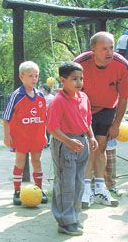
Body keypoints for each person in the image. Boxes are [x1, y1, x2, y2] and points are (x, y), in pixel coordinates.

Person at [74, 31, 128, 208]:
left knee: (100, 147)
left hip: (108, 108)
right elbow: (69, 92)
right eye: (104, 49)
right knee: (85, 147)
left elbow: (124, 97)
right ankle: (85, 188)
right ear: (93, 50)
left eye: (111, 48)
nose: (109, 52)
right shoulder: (79, 64)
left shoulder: (122, 65)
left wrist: (116, 124)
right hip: (82, 109)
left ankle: (100, 188)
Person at [46, 61, 98, 236]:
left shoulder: (84, 97)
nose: (79, 82)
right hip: (65, 143)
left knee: (78, 182)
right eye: (74, 79)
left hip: (81, 142)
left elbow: (87, 120)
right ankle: (64, 221)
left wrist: (91, 137)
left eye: (81, 78)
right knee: (65, 183)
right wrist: (68, 142)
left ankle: (74, 217)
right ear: (63, 80)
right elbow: (52, 128)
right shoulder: (58, 101)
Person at [2, 61, 48, 205]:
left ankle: (39, 189)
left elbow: (43, 118)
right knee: (20, 162)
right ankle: (17, 191)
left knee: (37, 162)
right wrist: (6, 135)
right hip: (21, 136)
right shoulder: (17, 95)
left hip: (36, 136)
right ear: (22, 77)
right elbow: (5, 117)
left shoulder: (40, 95)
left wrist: (44, 134)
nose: (34, 79)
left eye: (36, 76)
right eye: (30, 76)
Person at [39, 83, 54, 148]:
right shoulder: (40, 96)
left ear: (45, 89)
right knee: (42, 128)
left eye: (41, 88)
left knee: (48, 129)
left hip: (49, 115)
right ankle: (43, 141)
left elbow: (53, 106)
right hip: (41, 115)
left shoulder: (51, 97)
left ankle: (48, 142)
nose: (40, 89)